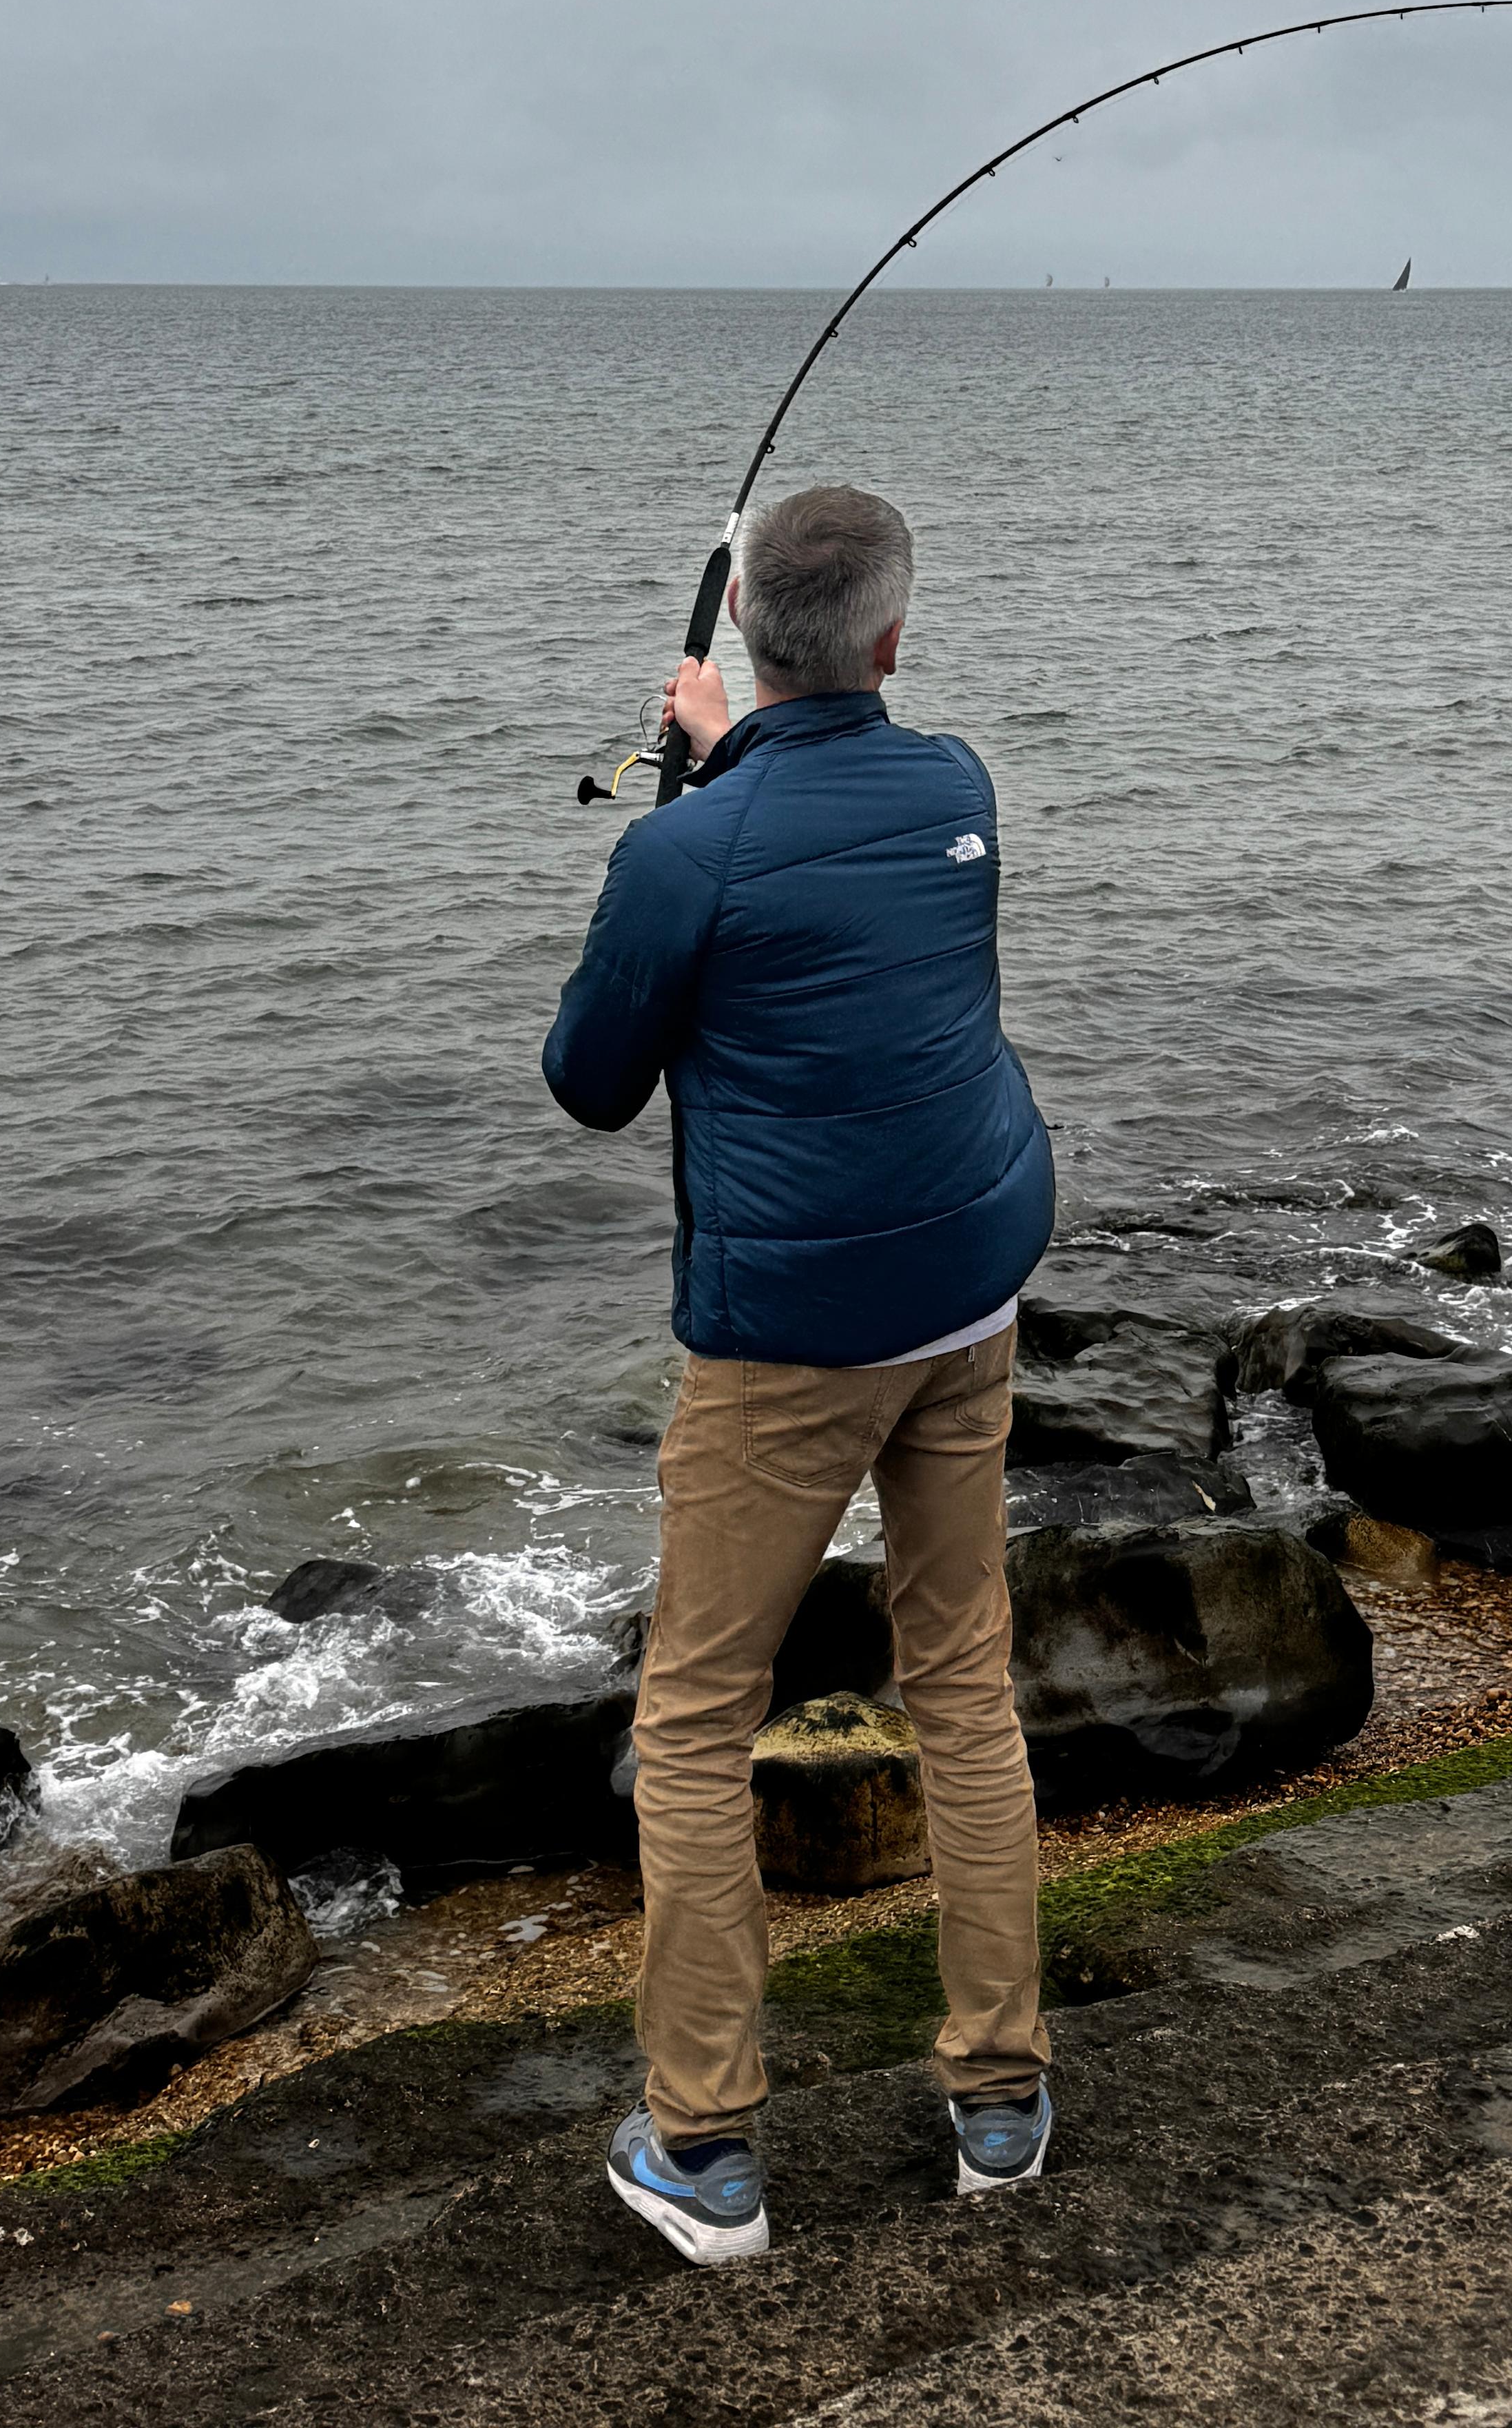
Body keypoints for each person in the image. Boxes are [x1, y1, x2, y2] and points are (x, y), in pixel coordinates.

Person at [543, 483, 1056, 2265]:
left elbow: (594, 1078)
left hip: (789, 1344)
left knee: (691, 1720)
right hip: (967, 1284)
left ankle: (707, 2146)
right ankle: (1000, 2096)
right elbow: (830, 885)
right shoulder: (959, 788)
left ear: (745, 634)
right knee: (963, 1682)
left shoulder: (687, 849)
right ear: (894, 641)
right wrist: (729, 766)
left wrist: (700, 793)